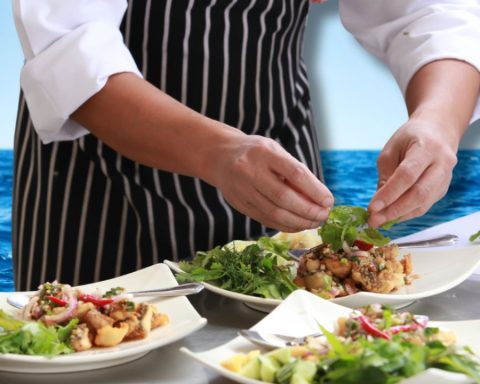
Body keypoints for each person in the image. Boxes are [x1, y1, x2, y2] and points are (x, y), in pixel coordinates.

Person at [11, 0, 480, 291]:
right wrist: (217, 153)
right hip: (101, 182)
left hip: (280, 155)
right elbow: (69, 47)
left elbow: (428, 11)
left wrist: (437, 122)